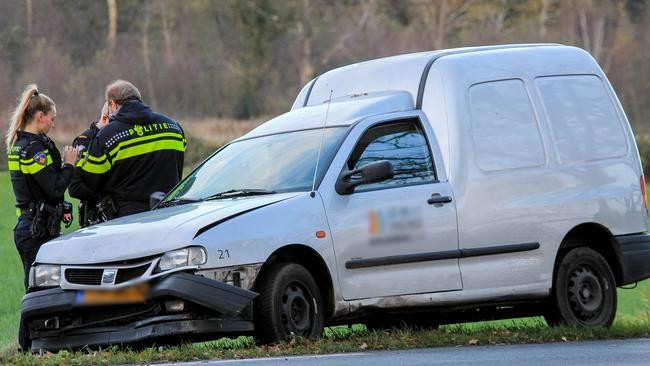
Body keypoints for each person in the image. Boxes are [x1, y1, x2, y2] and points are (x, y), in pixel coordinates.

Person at [5, 84, 79, 291]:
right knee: (39, 297)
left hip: (30, 226)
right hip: (36, 231)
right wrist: (69, 164)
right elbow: (55, 187)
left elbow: (35, 188)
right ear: (40, 116)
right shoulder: (34, 149)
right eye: (52, 118)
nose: (53, 124)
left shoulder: (19, 144)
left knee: (42, 295)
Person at [78, 79, 186, 217]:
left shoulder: (109, 135)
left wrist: (76, 161)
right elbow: (178, 165)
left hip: (128, 220)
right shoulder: (173, 127)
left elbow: (89, 180)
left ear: (112, 104)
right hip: (170, 214)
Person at [69, 103, 110, 226]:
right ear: (106, 117)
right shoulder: (84, 141)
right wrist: (103, 196)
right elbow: (74, 187)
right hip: (96, 219)